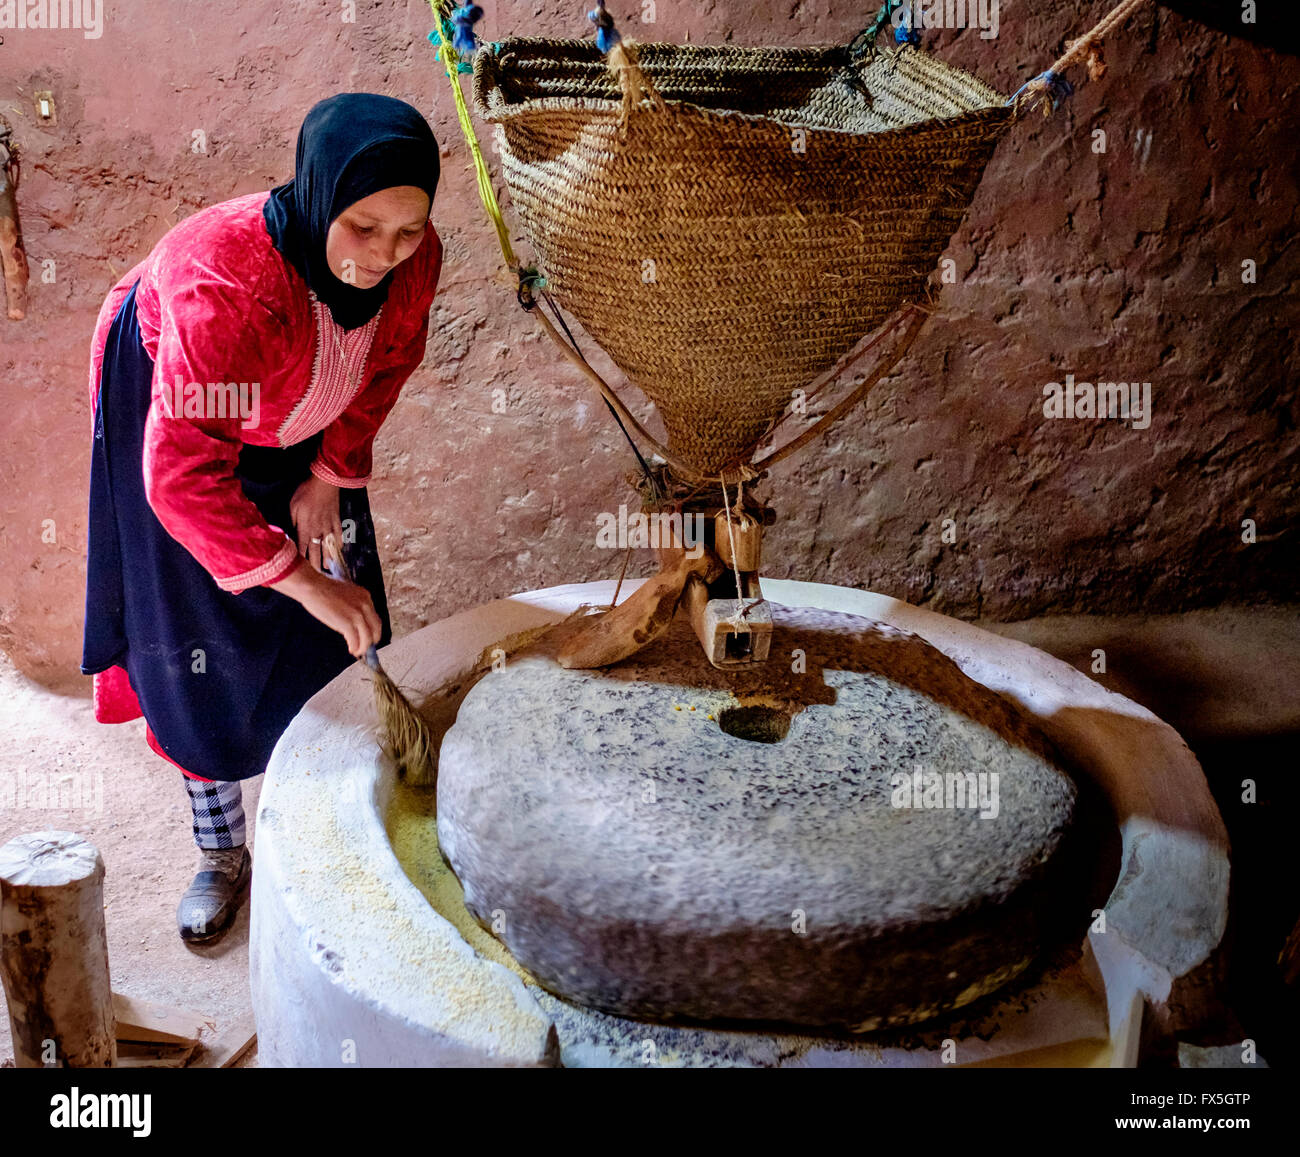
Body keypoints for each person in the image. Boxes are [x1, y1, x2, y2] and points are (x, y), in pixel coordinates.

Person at [81, 93, 443, 945]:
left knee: (338, 620)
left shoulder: (412, 267)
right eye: (362, 227)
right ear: (319, 194)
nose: (382, 256)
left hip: (299, 404)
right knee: (198, 639)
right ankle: (221, 850)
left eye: (408, 230)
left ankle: (325, 820)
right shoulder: (229, 288)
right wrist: (294, 575)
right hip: (178, 416)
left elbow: (386, 364)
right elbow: (179, 476)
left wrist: (328, 473)